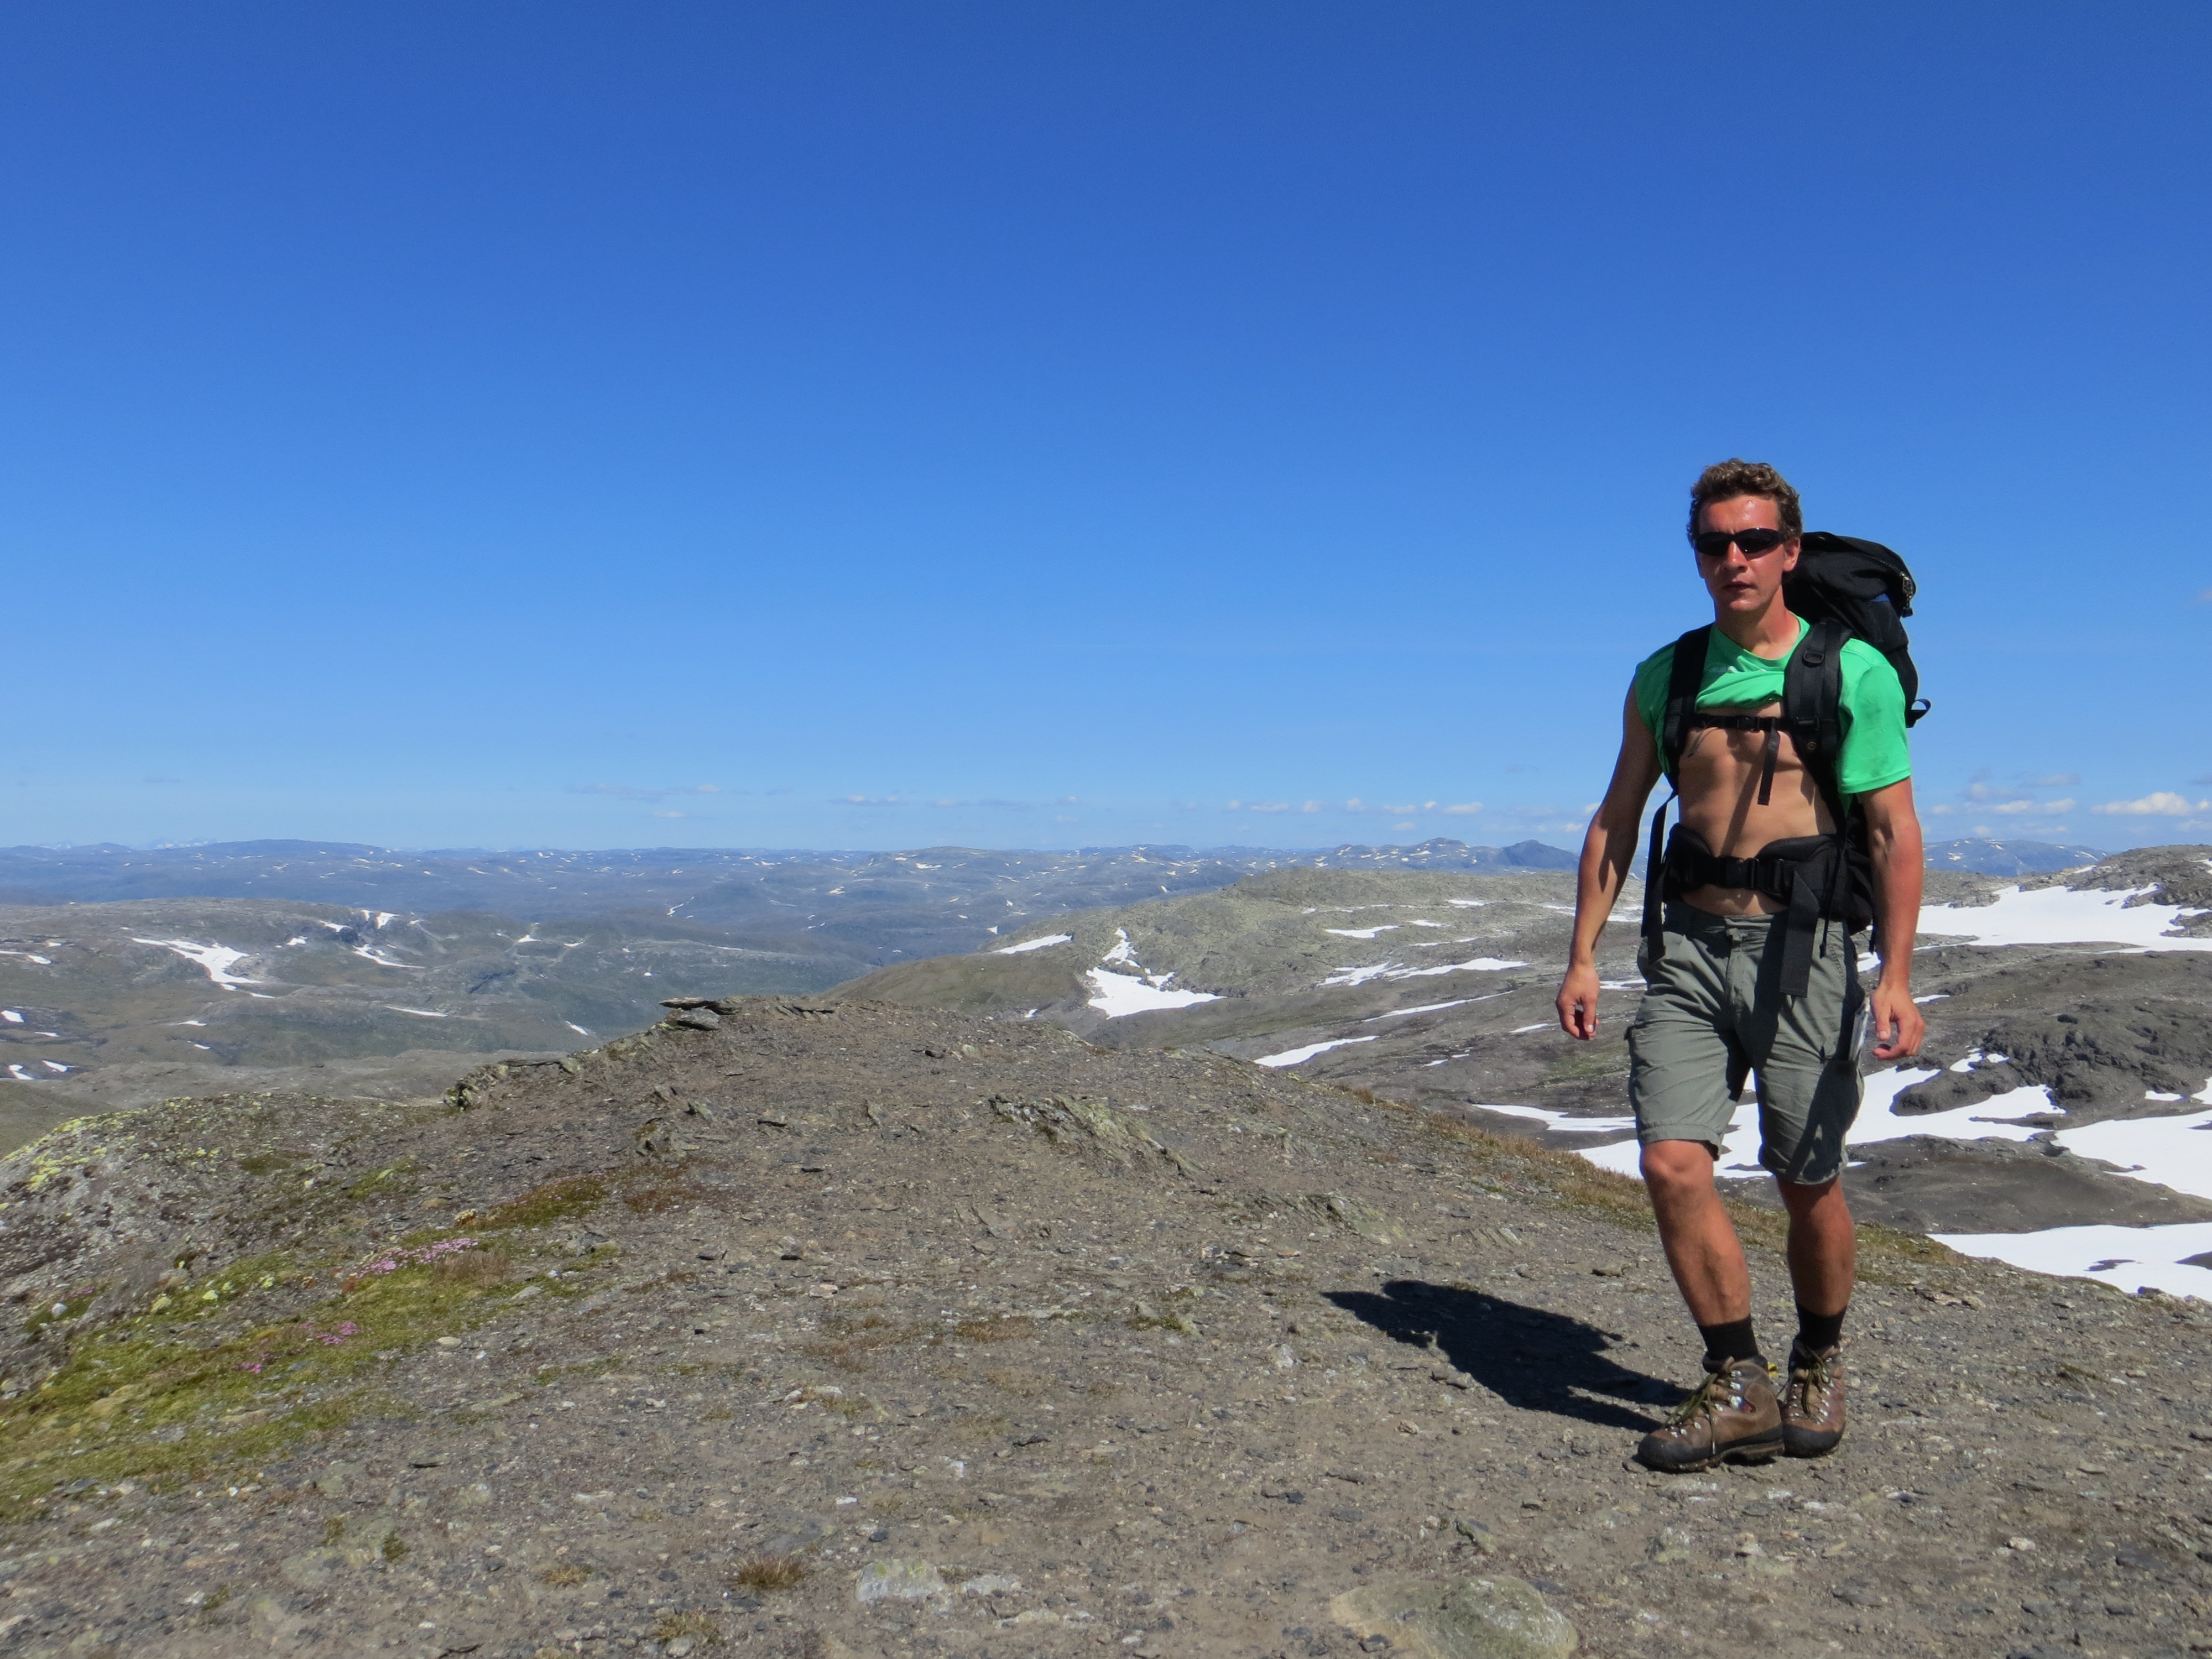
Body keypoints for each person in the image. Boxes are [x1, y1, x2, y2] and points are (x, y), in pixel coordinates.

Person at [1554, 458, 1924, 1472]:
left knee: (1807, 1179)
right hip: (1687, 950)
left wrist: (1895, 976)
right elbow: (1617, 818)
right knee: (1671, 1161)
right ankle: (1738, 1380)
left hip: (1802, 954)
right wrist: (1581, 955)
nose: (1735, 559)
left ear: (1789, 552)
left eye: (1755, 541)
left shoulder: (1851, 672)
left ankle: (1820, 1356)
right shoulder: (1666, 675)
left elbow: (1892, 831)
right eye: (1715, 543)